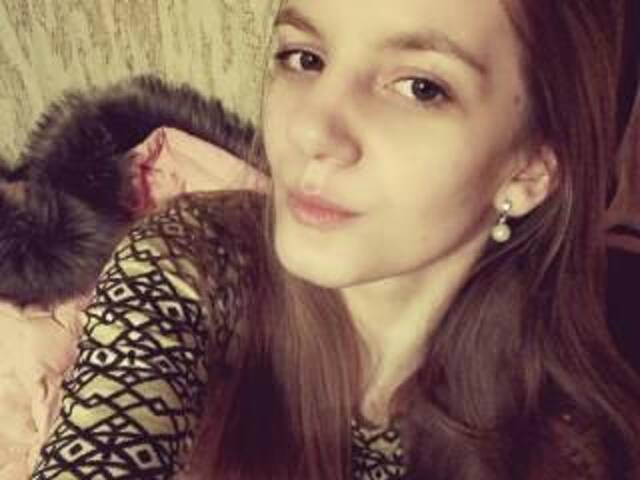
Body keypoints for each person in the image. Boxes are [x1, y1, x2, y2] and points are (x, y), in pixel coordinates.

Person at [30, 0, 640, 479]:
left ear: (529, 171)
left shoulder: (577, 429)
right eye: (305, 58)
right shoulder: (191, 263)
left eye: (420, 87)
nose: (313, 130)